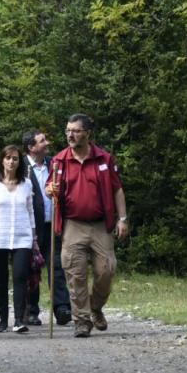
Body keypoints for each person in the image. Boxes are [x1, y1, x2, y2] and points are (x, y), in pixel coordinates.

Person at [47, 114, 129, 338]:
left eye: (75, 131)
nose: (70, 135)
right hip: (73, 224)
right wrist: (50, 190)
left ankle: (95, 307)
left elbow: (117, 189)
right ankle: (81, 320)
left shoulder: (104, 159)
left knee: (106, 270)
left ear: (88, 133)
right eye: (68, 131)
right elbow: (49, 188)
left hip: (101, 225)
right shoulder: (59, 161)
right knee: (75, 273)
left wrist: (122, 219)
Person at [0, 145, 37, 333]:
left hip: (22, 238)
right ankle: (3, 320)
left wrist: (34, 238)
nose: (11, 161)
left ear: (20, 162)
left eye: (15, 158)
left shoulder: (26, 184)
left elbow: (30, 211)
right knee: (0, 279)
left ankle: (19, 320)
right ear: (2, 160)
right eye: (8, 158)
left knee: (20, 277)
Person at [23, 129, 71, 325]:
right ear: (31, 147)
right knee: (31, 269)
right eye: (42, 141)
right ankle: (30, 311)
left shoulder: (55, 164)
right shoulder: (21, 166)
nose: (47, 143)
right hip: (30, 226)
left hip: (53, 224)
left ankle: (61, 308)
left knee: (57, 266)